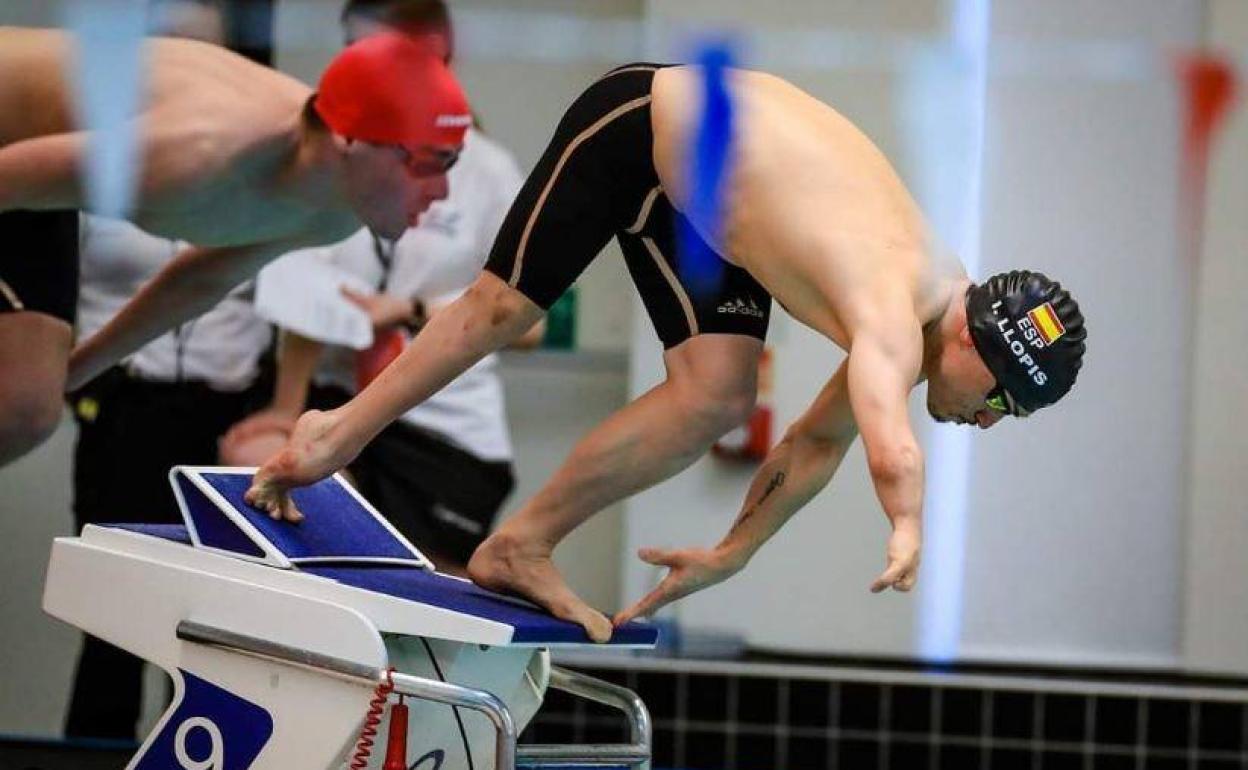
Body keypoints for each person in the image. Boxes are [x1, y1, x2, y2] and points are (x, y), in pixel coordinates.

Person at [246, 63, 1088, 642]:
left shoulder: (928, 306)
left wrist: (733, 552)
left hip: (711, 193)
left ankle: (519, 545)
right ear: (984, 348)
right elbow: (886, 448)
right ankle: (335, 433)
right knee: (504, 306)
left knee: (717, 396)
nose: (986, 422)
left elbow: (817, 441)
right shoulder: (896, 310)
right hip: (644, 119)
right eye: (1004, 403)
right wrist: (907, 525)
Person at [0, 22, 471, 464]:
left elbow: (202, 278)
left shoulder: (333, 209)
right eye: (431, 162)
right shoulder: (200, 151)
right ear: (348, 139)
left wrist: (75, 373)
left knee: (25, 409)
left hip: (32, 175)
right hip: (14, 147)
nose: (441, 191)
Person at [222, 0, 539, 575]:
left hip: (442, 422)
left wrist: (411, 309)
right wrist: (284, 410)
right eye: (357, 50)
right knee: (269, 490)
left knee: (421, 598)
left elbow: (531, 321)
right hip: (336, 398)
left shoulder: (488, 172)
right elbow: (301, 284)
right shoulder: (338, 150)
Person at [62, 0, 275, 740]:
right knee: (116, 621)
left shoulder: (273, 156)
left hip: (230, 415)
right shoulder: (91, 153)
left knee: (223, 629)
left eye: (205, 52)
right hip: (124, 406)